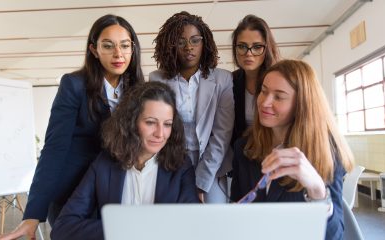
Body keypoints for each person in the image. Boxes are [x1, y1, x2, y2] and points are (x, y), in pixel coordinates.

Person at [0, 14, 144, 240]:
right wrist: (33, 215)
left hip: (120, 193)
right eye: (108, 46)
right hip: (74, 194)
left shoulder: (141, 91)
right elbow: (54, 149)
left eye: (125, 45)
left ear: (133, 48)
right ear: (94, 50)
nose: (118, 54)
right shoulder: (74, 85)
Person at [50, 82, 199, 239]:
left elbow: (192, 226)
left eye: (167, 124)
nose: (160, 134)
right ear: (131, 122)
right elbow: (62, 227)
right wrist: (125, 229)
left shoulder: (182, 166)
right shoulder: (104, 164)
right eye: (150, 122)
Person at [230, 60, 354, 240]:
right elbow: (237, 211)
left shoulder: (326, 152)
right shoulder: (244, 147)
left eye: (279, 97)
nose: (265, 102)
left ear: (301, 105)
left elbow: (333, 236)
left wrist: (317, 189)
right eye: (263, 91)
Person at [149, 11, 234, 203]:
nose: (189, 47)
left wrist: (201, 181)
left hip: (213, 161)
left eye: (195, 40)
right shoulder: (157, 79)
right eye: (180, 42)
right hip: (172, 160)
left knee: (214, 222)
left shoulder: (223, 79)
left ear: (205, 43)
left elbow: (222, 135)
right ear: (171, 46)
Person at [231, 15, 280, 143]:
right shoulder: (230, 81)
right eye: (242, 46)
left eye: (257, 47)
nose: (249, 53)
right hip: (241, 155)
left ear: (267, 48)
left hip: (276, 150)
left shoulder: (280, 80)